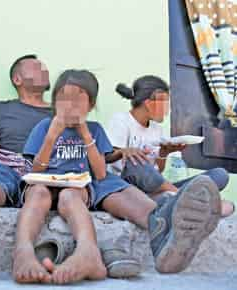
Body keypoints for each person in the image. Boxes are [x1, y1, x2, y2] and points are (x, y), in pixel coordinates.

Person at [0, 56, 140, 279]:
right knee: (12, 177)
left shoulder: (90, 127)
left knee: (101, 184)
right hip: (28, 172)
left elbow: (100, 170)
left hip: (75, 183)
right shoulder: (12, 113)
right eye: (35, 65)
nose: (43, 68)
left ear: (90, 104)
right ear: (17, 78)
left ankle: (97, 248)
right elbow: (29, 166)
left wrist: (96, 139)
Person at [13, 70, 222, 284]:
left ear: (91, 106)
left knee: (70, 195)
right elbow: (36, 171)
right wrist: (51, 136)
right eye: (64, 99)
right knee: (37, 192)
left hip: (79, 187)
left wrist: (85, 134)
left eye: (78, 101)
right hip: (44, 183)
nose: (70, 106)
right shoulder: (43, 127)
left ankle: (90, 252)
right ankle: (23, 252)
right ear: (54, 102)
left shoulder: (94, 129)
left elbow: (101, 173)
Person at [105, 75, 234, 217]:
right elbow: (107, 156)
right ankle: (188, 201)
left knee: (220, 175)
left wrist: (164, 153)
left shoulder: (156, 129)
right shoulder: (121, 120)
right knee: (137, 162)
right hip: (125, 190)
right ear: (149, 103)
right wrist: (125, 151)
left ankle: (176, 200)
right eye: (164, 103)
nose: (167, 109)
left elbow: (157, 171)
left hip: (152, 193)